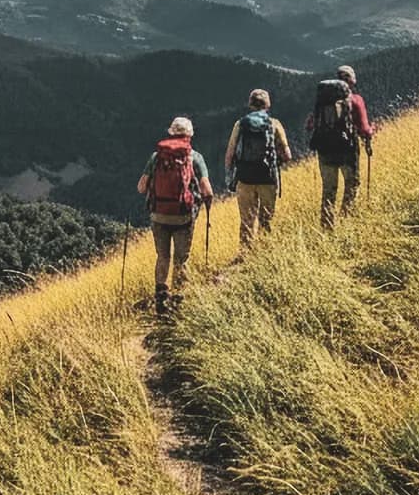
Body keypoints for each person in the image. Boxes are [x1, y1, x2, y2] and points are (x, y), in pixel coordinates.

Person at [136, 115, 215, 314]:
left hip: (159, 216)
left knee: (163, 257)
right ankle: (179, 302)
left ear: (171, 132)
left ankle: (161, 301)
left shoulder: (156, 157)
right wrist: (206, 209)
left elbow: (141, 187)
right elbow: (207, 191)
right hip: (183, 216)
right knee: (181, 259)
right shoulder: (195, 157)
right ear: (190, 135)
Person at [306, 64, 374, 229]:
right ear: (351, 81)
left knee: (329, 189)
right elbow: (364, 130)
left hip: (325, 152)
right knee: (352, 184)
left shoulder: (323, 102)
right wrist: (371, 131)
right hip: (347, 150)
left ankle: (327, 227)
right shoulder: (356, 101)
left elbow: (309, 125)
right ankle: (346, 220)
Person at [224, 88, 293, 248]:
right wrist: (276, 162)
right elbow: (287, 155)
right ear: (267, 104)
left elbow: (229, 154)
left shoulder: (240, 124)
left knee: (247, 220)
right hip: (267, 177)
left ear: (250, 104)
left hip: (245, 177)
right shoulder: (274, 124)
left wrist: (230, 177)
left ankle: (245, 255)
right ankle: (264, 253)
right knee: (266, 219)